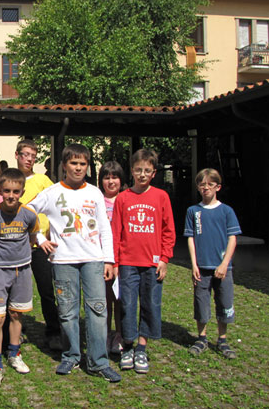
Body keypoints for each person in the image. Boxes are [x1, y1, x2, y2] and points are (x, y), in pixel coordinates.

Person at [30, 144, 121, 383]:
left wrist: (109, 259)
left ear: (87, 166)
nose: (78, 168)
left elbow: (105, 228)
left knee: (98, 311)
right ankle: (71, 355)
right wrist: (40, 239)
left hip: (93, 260)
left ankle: (98, 361)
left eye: (82, 164)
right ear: (64, 166)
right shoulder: (52, 193)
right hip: (63, 261)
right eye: (73, 163)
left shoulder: (94, 193)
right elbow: (27, 211)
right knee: (67, 311)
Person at [112, 149, 176, 374]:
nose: (142, 174)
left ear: (154, 173)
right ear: (132, 171)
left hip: (152, 263)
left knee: (150, 304)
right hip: (128, 262)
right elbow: (116, 231)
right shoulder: (123, 197)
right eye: (138, 170)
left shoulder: (161, 197)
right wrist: (115, 261)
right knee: (127, 304)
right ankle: (127, 345)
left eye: (147, 171)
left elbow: (168, 230)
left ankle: (141, 346)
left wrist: (165, 258)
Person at [0, 168, 39, 389]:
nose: (10, 196)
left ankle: (14, 353)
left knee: (16, 314)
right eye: (6, 191)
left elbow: (32, 237)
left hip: (22, 270)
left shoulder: (29, 214)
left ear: (22, 191)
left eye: (15, 191)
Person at [184, 168, 241, 359]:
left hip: (222, 267)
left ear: (218, 187)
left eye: (210, 184)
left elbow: (232, 238)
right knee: (201, 302)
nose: (205, 188)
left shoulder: (227, 211)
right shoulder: (193, 211)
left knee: (224, 302)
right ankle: (202, 337)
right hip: (202, 267)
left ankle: (222, 338)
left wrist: (225, 264)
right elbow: (190, 238)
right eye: (202, 184)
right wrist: (194, 265)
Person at [15, 139, 60, 350]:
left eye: (33, 155)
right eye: (25, 154)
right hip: (16, 244)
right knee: (16, 292)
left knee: (46, 290)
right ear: (17, 155)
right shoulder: (11, 180)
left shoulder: (43, 181)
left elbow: (58, 206)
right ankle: (16, 330)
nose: (29, 159)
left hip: (41, 246)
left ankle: (53, 331)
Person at [99, 161, 126, 354]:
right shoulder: (97, 199)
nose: (110, 181)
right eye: (106, 177)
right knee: (104, 298)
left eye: (114, 177)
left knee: (121, 299)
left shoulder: (126, 199)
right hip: (101, 257)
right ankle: (105, 333)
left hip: (124, 257)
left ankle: (120, 334)